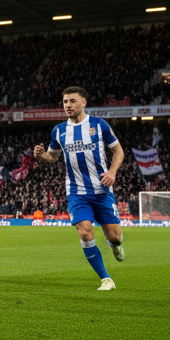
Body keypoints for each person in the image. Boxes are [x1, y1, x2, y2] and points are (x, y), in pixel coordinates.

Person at [33, 86, 126, 290]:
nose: (68, 105)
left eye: (72, 101)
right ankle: (105, 279)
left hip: (102, 191)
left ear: (84, 102)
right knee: (84, 232)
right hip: (76, 192)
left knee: (115, 236)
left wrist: (112, 172)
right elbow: (53, 156)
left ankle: (115, 245)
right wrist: (41, 155)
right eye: (65, 102)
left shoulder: (99, 125)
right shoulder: (59, 131)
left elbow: (118, 152)